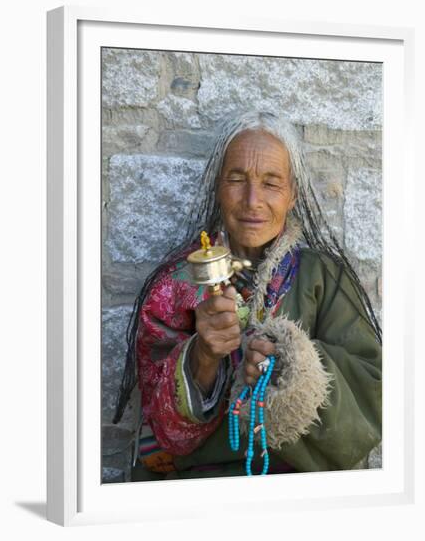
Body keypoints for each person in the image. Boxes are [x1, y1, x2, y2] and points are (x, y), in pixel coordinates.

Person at [113, 111, 382, 480]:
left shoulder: (325, 279)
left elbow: (373, 392)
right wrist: (203, 357)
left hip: (300, 484)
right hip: (199, 486)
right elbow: (159, 428)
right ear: (218, 188)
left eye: (271, 183)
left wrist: (291, 364)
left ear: (292, 195)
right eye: (237, 179)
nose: (253, 200)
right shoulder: (174, 286)